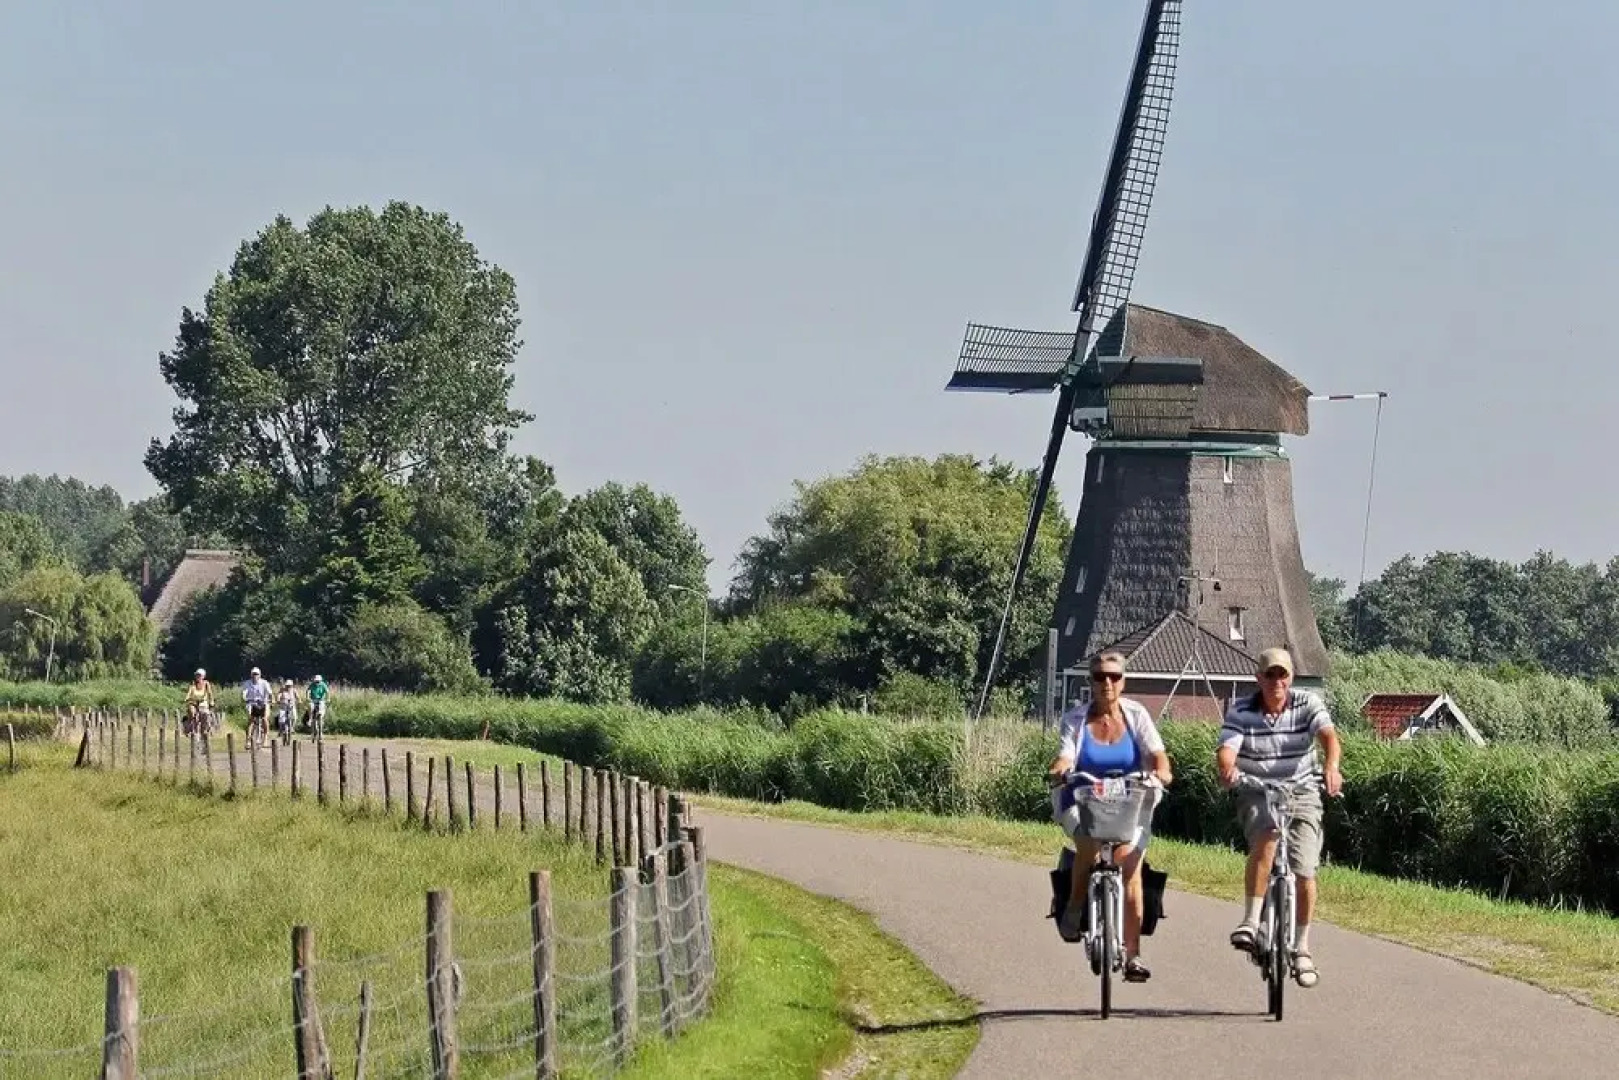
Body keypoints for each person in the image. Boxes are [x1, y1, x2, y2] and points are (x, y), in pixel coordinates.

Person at [1216, 646, 1343, 989]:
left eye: (1282, 674)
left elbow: (1328, 737)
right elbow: (1227, 749)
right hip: (1257, 788)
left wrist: (1331, 767)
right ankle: (1251, 921)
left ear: (1291, 678)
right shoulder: (1241, 709)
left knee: (1305, 870)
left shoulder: (1307, 704)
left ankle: (1302, 948)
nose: (1276, 681)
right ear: (1259, 678)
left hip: (1302, 789)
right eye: (1270, 674)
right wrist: (1228, 770)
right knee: (1267, 837)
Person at [1047, 650, 1174, 982]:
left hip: (1131, 800)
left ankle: (1133, 956)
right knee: (1087, 846)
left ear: (1123, 681)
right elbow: (1065, 754)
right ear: (1091, 681)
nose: (1107, 683)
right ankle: (1075, 906)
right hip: (1082, 797)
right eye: (1100, 676)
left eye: (1114, 677)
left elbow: (1158, 754)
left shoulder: (1137, 715)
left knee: (1129, 866)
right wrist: (1060, 770)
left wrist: (1161, 772)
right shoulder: (1076, 719)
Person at [242, 667, 271, 741]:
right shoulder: (247, 683)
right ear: (251, 675)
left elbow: (269, 692)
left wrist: (271, 699)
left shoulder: (264, 683)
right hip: (251, 702)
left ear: (260, 675)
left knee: (265, 718)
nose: (255, 676)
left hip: (263, 702)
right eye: (253, 674)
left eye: (256, 674)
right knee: (251, 719)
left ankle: (265, 737)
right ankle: (248, 739)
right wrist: (245, 698)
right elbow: (244, 692)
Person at [183, 669, 214, 733]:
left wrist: (211, 701)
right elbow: (189, 692)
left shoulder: (206, 683)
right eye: (197, 675)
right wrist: (186, 698)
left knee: (205, 714)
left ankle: (204, 731)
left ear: (203, 676)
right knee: (192, 712)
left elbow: (210, 693)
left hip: (203, 703)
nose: (198, 677)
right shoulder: (193, 683)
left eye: (199, 675)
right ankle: (190, 728)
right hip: (193, 702)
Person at [275, 679, 299, 745]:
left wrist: (299, 700)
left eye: (290, 686)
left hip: (291, 706)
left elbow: (297, 697)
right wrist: (278, 700)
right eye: (287, 686)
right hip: (283, 707)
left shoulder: (294, 690)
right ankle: (280, 731)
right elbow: (278, 696)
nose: (289, 687)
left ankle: (292, 728)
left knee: (295, 717)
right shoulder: (282, 690)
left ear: (292, 685)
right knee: (281, 720)